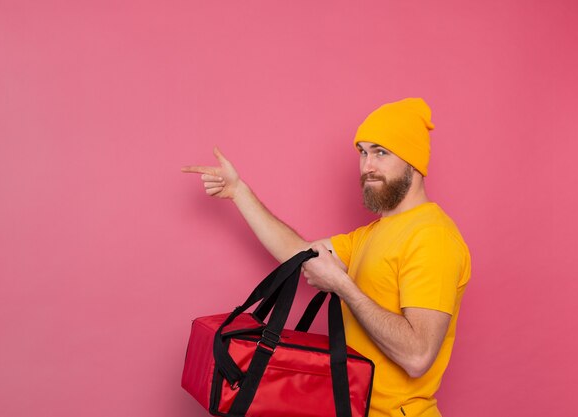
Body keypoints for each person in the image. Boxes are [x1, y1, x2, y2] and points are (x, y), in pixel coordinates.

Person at [182, 98, 471, 417]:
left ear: (413, 162)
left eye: (381, 152)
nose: (367, 166)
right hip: (351, 409)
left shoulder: (432, 237)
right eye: (363, 152)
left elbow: (417, 356)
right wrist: (239, 192)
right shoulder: (372, 234)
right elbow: (299, 254)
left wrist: (343, 286)